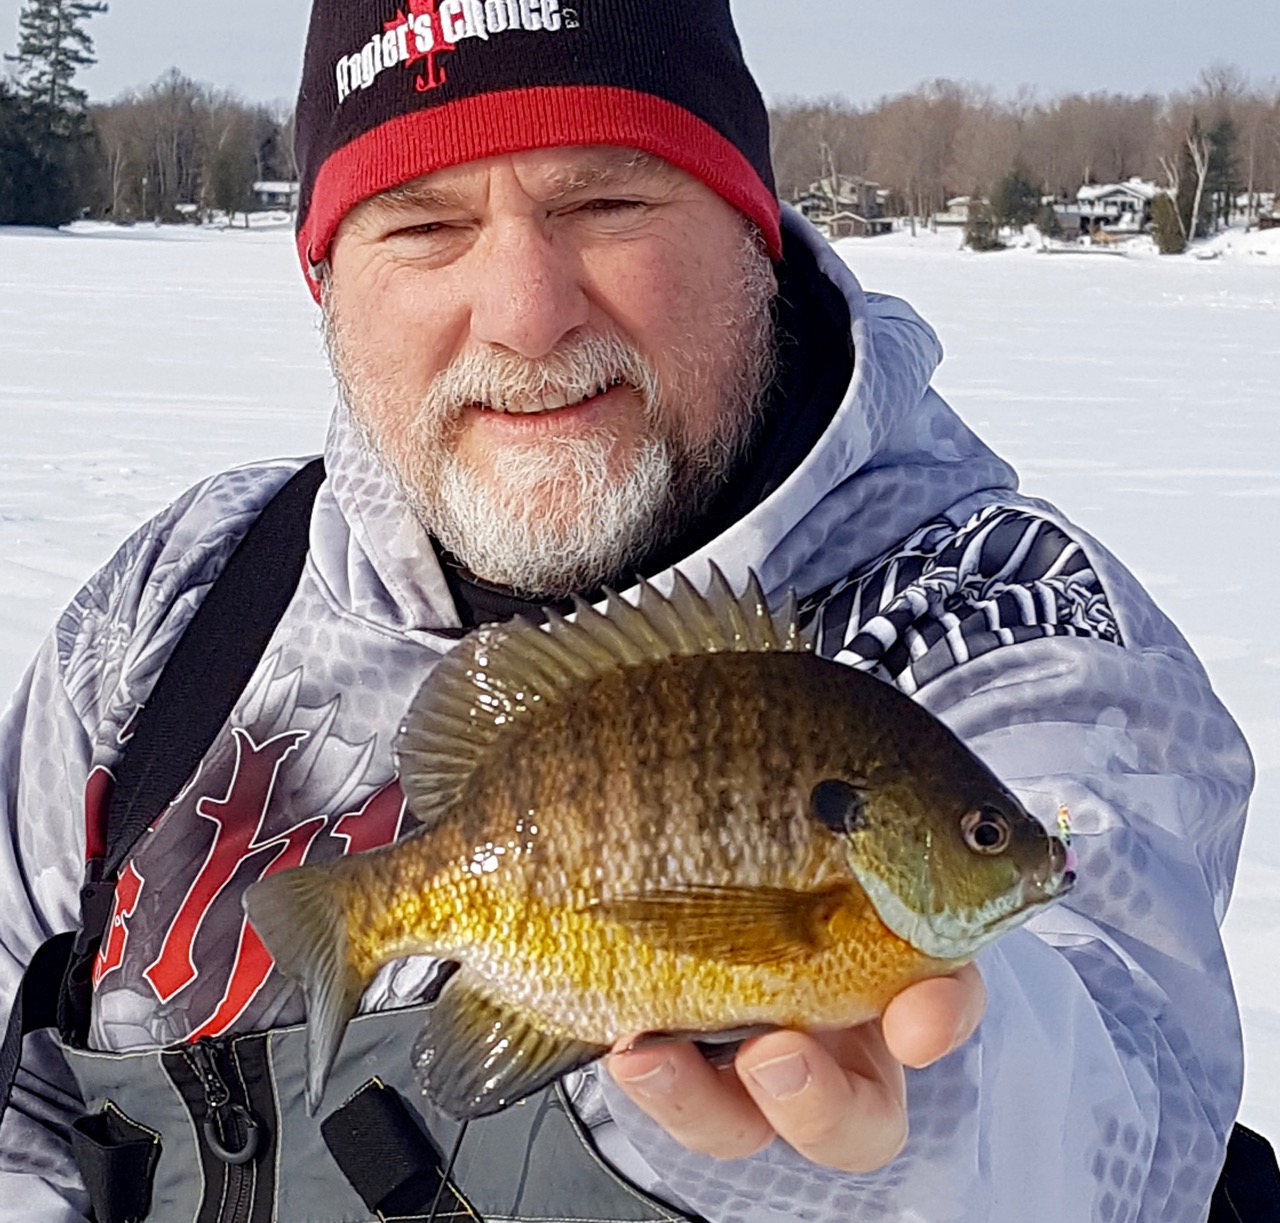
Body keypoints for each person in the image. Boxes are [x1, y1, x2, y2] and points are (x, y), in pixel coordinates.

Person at [0, 2, 1256, 1220]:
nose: (524, 312)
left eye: (602, 202)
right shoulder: (180, 609)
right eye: (424, 226)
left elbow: (1119, 1088)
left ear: (751, 228)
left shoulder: (1004, 618)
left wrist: (938, 1103)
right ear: (327, 283)